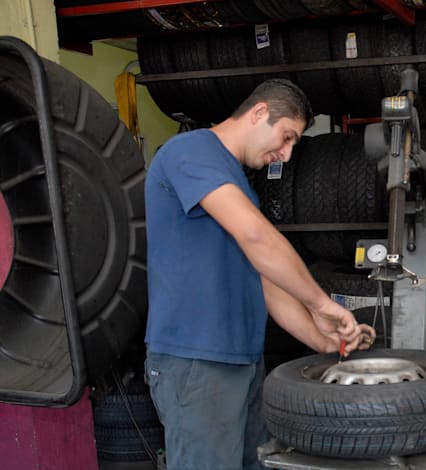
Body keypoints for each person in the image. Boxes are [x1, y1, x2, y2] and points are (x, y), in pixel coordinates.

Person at [143, 78, 375, 469]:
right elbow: (256, 237)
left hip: (241, 360)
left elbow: (265, 281)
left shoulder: (233, 181)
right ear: (259, 112)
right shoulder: (190, 151)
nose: (285, 154)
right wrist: (320, 302)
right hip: (197, 361)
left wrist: (321, 339)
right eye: (286, 138)